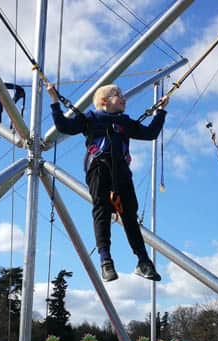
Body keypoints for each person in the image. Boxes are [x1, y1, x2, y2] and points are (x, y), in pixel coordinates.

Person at [46, 82, 169, 282]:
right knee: (102, 210)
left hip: (122, 173)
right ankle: (106, 260)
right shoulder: (91, 119)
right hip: (99, 169)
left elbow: (150, 133)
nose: (123, 97)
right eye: (117, 94)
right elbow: (64, 126)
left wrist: (161, 111)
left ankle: (143, 260)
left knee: (130, 215)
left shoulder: (125, 122)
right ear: (104, 101)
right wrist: (54, 100)